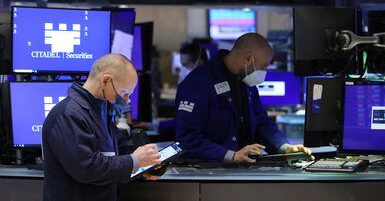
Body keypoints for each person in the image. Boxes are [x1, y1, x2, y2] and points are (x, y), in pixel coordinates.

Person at [175, 33, 312, 162]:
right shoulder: (198, 83)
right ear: (248, 59)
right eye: (263, 67)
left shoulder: (247, 80)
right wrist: (231, 156)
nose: (264, 72)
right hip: (207, 172)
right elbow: (187, 138)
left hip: (243, 169)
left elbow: (261, 122)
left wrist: (284, 147)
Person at [42, 54, 161, 201]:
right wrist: (134, 161)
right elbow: (87, 168)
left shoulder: (101, 109)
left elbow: (118, 151)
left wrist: (142, 167)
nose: (126, 100)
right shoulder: (68, 114)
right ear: (106, 80)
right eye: (124, 93)